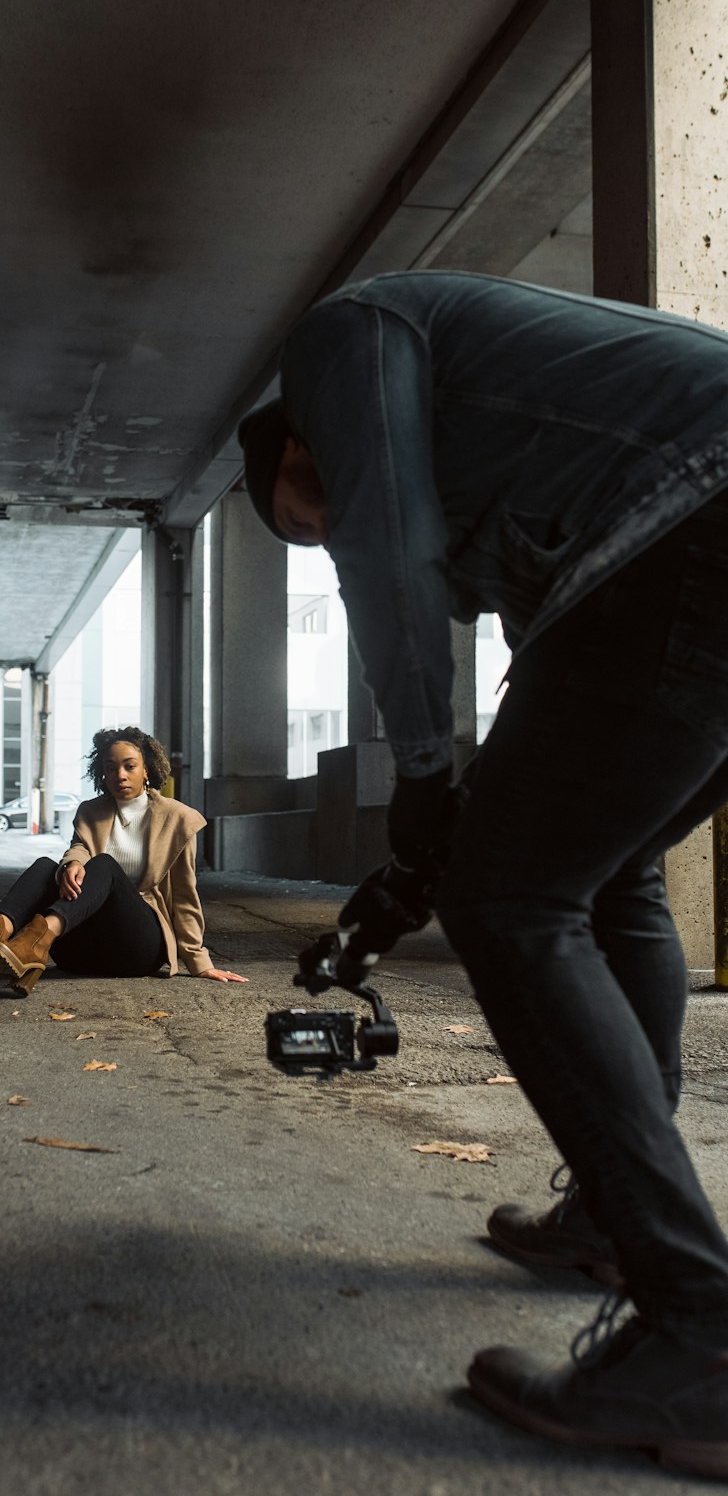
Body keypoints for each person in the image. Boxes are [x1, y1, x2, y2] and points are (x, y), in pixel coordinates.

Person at [238, 270, 728, 1479]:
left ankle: (703, 1334)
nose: (333, 521)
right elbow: (548, 652)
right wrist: (461, 805)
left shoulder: (346, 337)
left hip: (700, 521)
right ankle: (615, 1217)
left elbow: (388, 552)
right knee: (604, 875)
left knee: (510, 900)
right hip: (686, 536)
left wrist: (419, 775)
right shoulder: (517, 444)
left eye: (317, 504)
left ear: (302, 441)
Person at [0, 727, 247, 993]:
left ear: (146, 770)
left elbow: (184, 896)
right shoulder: (91, 812)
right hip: (82, 952)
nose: (120, 774)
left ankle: (37, 940)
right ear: (102, 774)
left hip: (138, 948)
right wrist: (73, 864)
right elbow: (79, 847)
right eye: (111, 768)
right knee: (47, 866)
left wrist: (199, 962)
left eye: (129, 766)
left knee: (104, 864)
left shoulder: (179, 818)